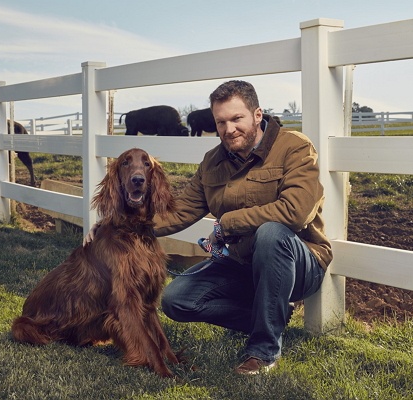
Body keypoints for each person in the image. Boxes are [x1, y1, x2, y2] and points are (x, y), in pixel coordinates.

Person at [86, 80, 333, 375]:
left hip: (300, 262)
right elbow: (179, 212)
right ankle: (271, 314)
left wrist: (227, 224)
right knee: (177, 300)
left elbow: (296, 212)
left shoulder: (294, 147)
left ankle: (264, 351)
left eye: (237, 118)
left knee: (271, 233)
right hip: (243, 263)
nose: (229, 129)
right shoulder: (213, 162)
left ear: (257, 115)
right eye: (221, 122)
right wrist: (111, 223)